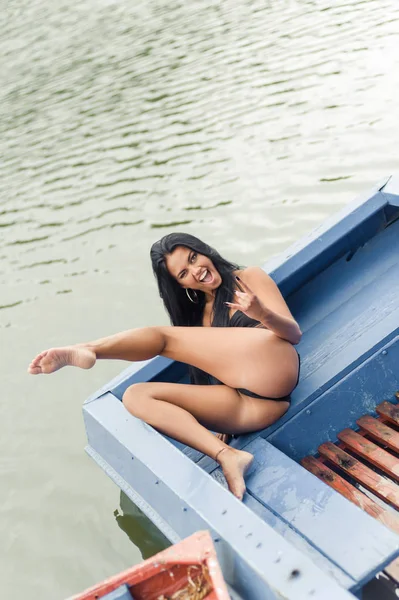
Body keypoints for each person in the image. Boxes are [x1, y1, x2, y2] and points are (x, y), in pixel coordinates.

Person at [28, 233, 302, 500]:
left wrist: (261, 314)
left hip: (278, 366)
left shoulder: (248, 279)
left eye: (194, 258)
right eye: (184, 273)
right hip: (258, 406)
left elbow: (293, 335)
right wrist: (219, 416)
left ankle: (90, 349)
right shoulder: (198, 321)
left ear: (205, 251)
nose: (196, 271)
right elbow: (223, 373)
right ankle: (227, 456)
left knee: (164, 338)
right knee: (137, 395)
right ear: (181, 286)